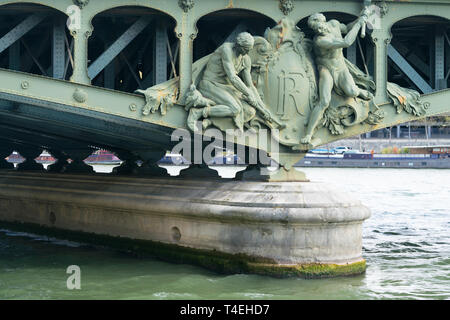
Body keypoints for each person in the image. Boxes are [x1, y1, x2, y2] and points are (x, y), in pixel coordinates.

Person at [301, 10, 372, 144]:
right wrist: (359, 25)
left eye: (321, 26)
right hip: (325, 69)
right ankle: (308, 134)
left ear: (324, 21)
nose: (320, 30)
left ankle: (359, 91)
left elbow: (346, 28)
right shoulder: (320, 40)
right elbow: (346, 42)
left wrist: (359, 19)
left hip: (341, 68)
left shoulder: (334, 24)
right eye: (316, 30)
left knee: (352, 92)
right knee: (324, 101)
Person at [187, 32, 271, 132]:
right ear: (238, 45)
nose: (247, 52)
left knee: (250, 111)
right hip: (210, 84)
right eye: (245, 49)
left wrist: (262, 107)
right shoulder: (226, 49)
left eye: (249, 50)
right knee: (235, 109)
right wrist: (248, 94)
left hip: (226, 88)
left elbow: (250, 86)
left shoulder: (246, 59)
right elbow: (233, 77)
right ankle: (197, 113)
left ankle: (211, 120)